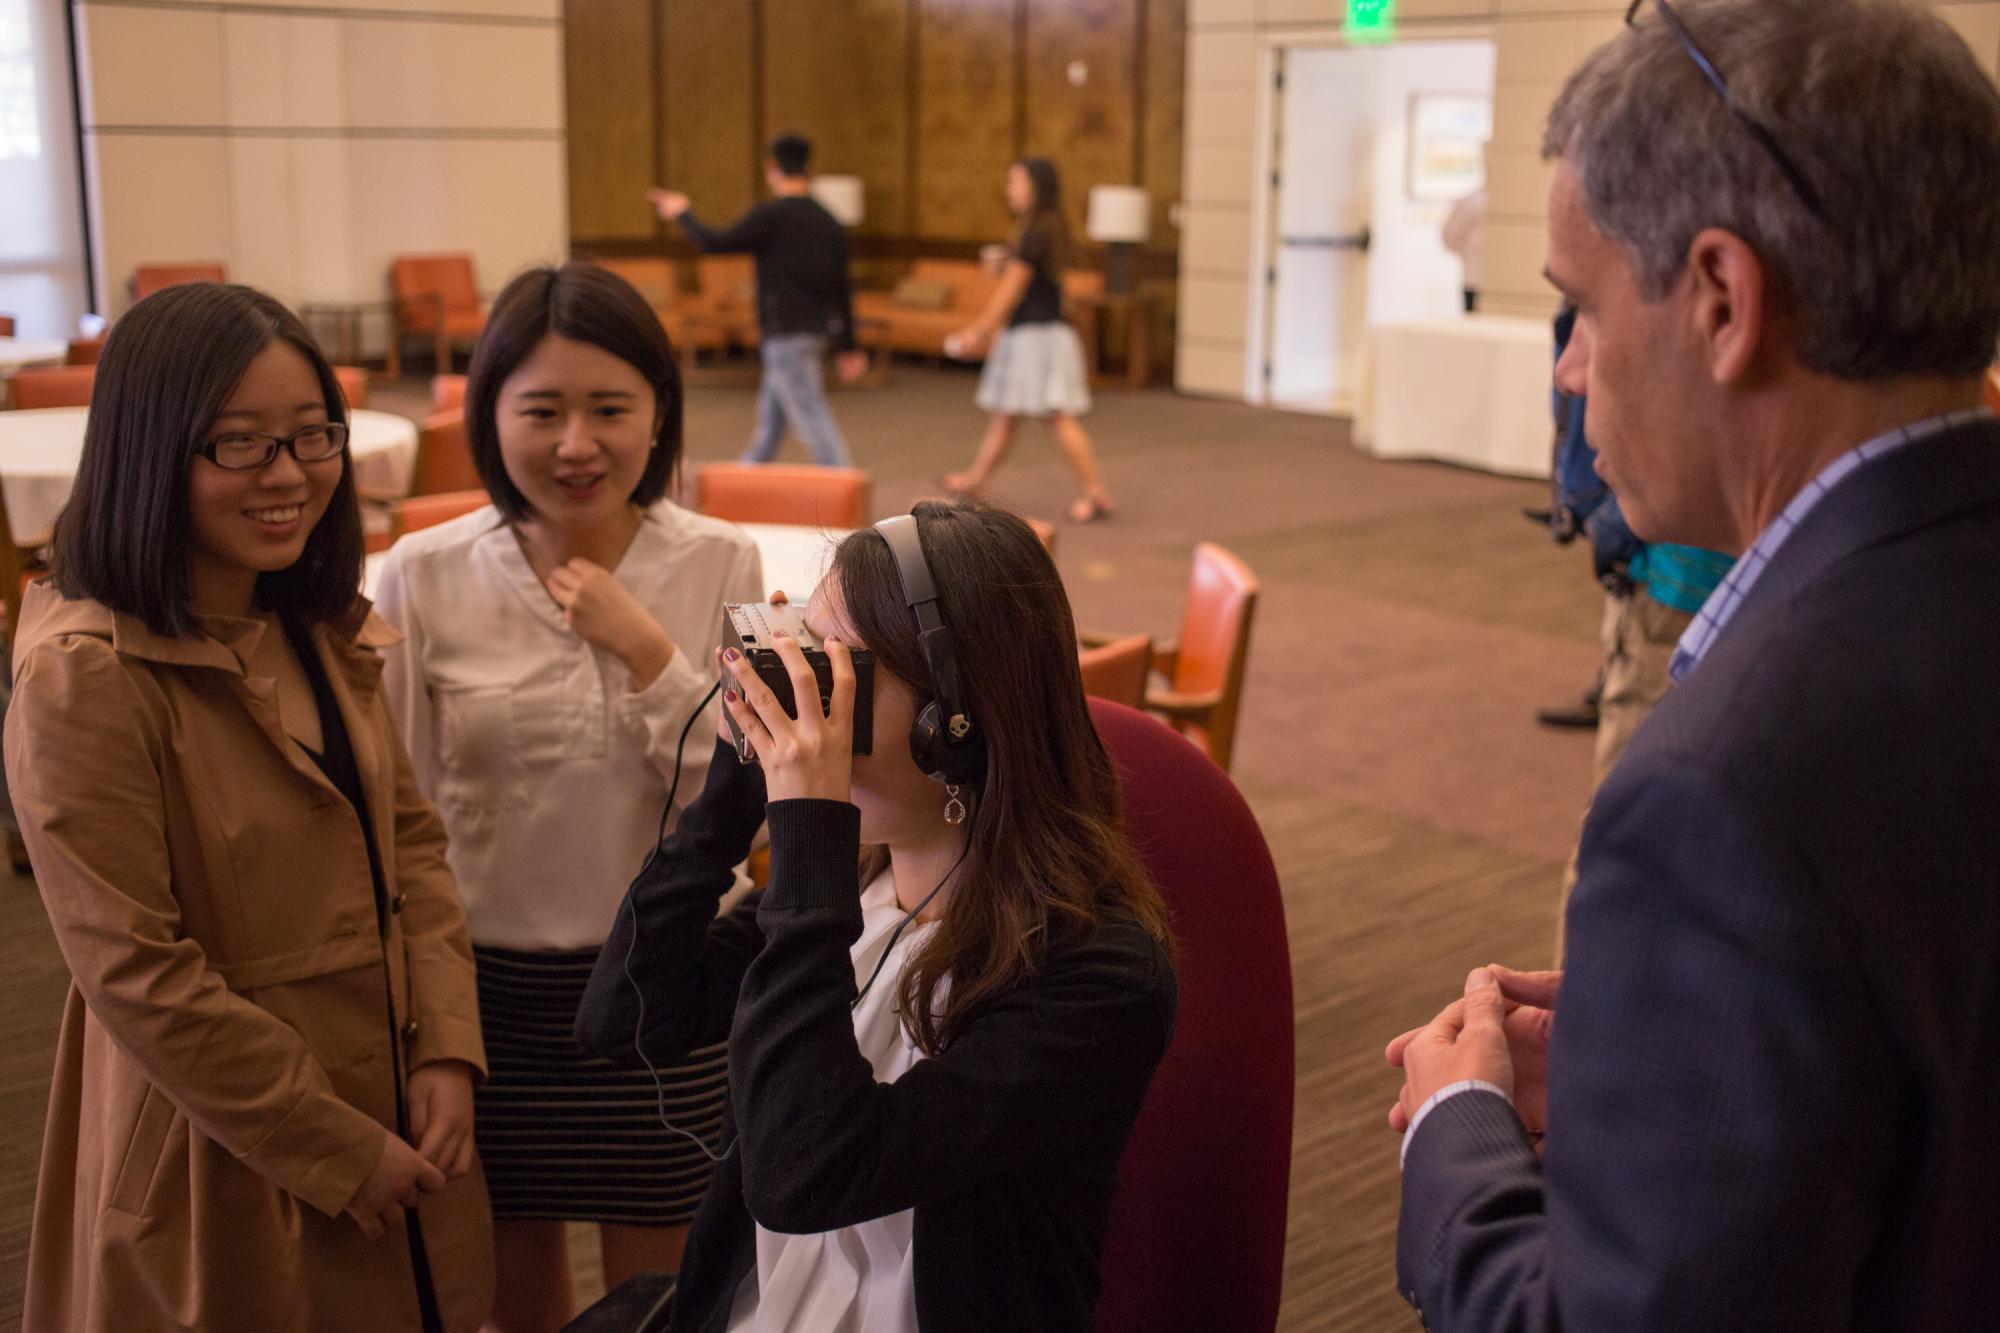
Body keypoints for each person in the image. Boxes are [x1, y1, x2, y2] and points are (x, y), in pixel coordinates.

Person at [1386, 1, 2000, 1327]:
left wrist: (1459, 1129)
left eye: (1582, 308)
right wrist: (1658, 1059)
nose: (1569, 367)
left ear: (1722, 298)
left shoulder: (1729, 790)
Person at [5, 283, 493, 1331]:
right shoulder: (85, 675)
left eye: (313, 436)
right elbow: (135, 970)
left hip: (399, 1089)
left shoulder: (309, 621)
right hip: (222, 1135)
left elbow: (409, 845)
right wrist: (330, 1140)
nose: (290, 477)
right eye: (239, 446)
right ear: (151, 450)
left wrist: (449, 1042)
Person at [575, 499, 1177, 1330]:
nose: (805, 699)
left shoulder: (1096, 974)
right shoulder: (861, 884)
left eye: (837, 674)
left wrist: (807, 837)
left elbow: (806, 1173)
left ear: (953, 727)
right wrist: (738, 781)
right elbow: (626, 1011)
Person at [373, 262, 763, 1331]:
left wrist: (646, 650)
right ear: (488, 415)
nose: (576, 443)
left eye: (609, 408)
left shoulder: (719, 559)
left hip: (658, 985)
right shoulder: (421, 572)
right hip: (485, 995)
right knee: (514, 1301)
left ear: (658, 415)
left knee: (669, 1299)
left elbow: (745, 800)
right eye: (540, 410)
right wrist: (420, 1021)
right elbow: (397, 818)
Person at [650, 132, 866, 466]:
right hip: (813, 331)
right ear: (806, 168)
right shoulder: (829, 221)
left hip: (784, 333)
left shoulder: (772, 216)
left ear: (772, 167)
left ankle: (847, 483)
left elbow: (715, 243)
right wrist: (849, 345)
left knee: (810, 416)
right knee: (773, 418)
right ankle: (747, 473)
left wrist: (683, 213)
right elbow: (843, 288)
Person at [943, 158, 1115, 524]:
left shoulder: (1035, 231)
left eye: (1016, 181)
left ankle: (1095, 493)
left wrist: (979, 330)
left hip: (1036, 338)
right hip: (1043, 334)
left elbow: (1012, 289)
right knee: (1007, 415)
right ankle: (973, 482)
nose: (1010, 189)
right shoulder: (1048, 228)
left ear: (1036, 186)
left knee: (1055, 416)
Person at [1442, 185, 1486, 314]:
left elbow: (1449, 234)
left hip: (1476, 278)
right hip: (1474, 280)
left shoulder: (1474, 199)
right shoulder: (1472, 200)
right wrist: (1468, 251)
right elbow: (1449, 235)